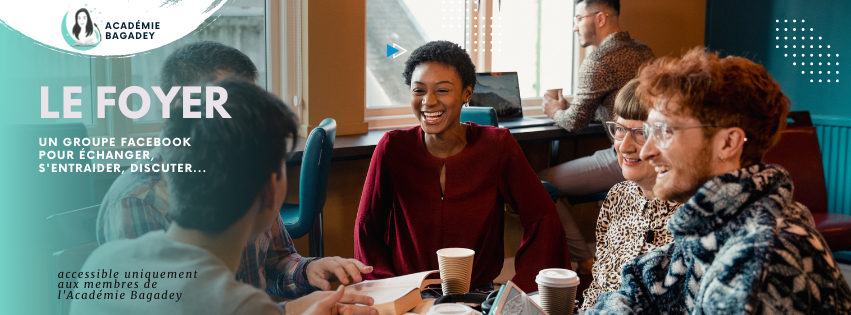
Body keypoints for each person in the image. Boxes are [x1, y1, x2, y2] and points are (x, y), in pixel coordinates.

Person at [95, 42, 372, 312]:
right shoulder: (136, 201)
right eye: (235, 105)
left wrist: (308, 270)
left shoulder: (246, 166)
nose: (249, 122)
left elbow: (276, 261)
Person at [588, 48, 851, 314]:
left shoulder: (765, 258)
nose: (646, 151)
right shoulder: (713, 227)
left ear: (727, 143)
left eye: (665, 131)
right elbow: (634, 291)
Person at [354, 40, 570, 293]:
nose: (428, 101)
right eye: (419, 90)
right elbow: (367, 227)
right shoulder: (392, 147)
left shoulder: (497, 146)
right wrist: (386, 289)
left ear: (467, 93)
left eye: (443, 90)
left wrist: (520, 292)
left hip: (477, 293)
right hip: (408, 293)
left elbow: (542, 218)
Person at [538, 0, 655, 275]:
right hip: (653, 151)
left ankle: (584, 260)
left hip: (626, 155)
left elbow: (575, 122)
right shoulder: (643, 51)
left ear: (600, 18)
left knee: (539, 184)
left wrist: (555, 110)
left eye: (579, 18)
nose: (574, 26)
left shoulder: (598, 60)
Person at [580, 79, 681, 309]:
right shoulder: (617, 197)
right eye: (620, 130)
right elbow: (598, 285)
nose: (624, 146)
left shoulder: (691, 217)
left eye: (641, 132)